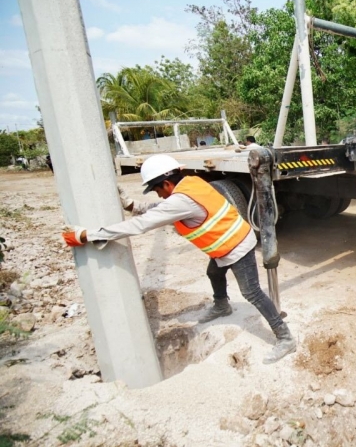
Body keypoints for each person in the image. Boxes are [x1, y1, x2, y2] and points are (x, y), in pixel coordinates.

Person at [61, 154, 297, 364]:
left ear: (166, 183)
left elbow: (142, 224)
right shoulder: (190, 183)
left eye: (156, 189)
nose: (158, 194)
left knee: (252, 292)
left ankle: (285, 337)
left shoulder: (180, 201)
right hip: (231, 240)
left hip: (236, 246)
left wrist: (88, 235)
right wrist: (134, 205)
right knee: (214, 273)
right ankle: (222, 305)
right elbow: (163, 207)